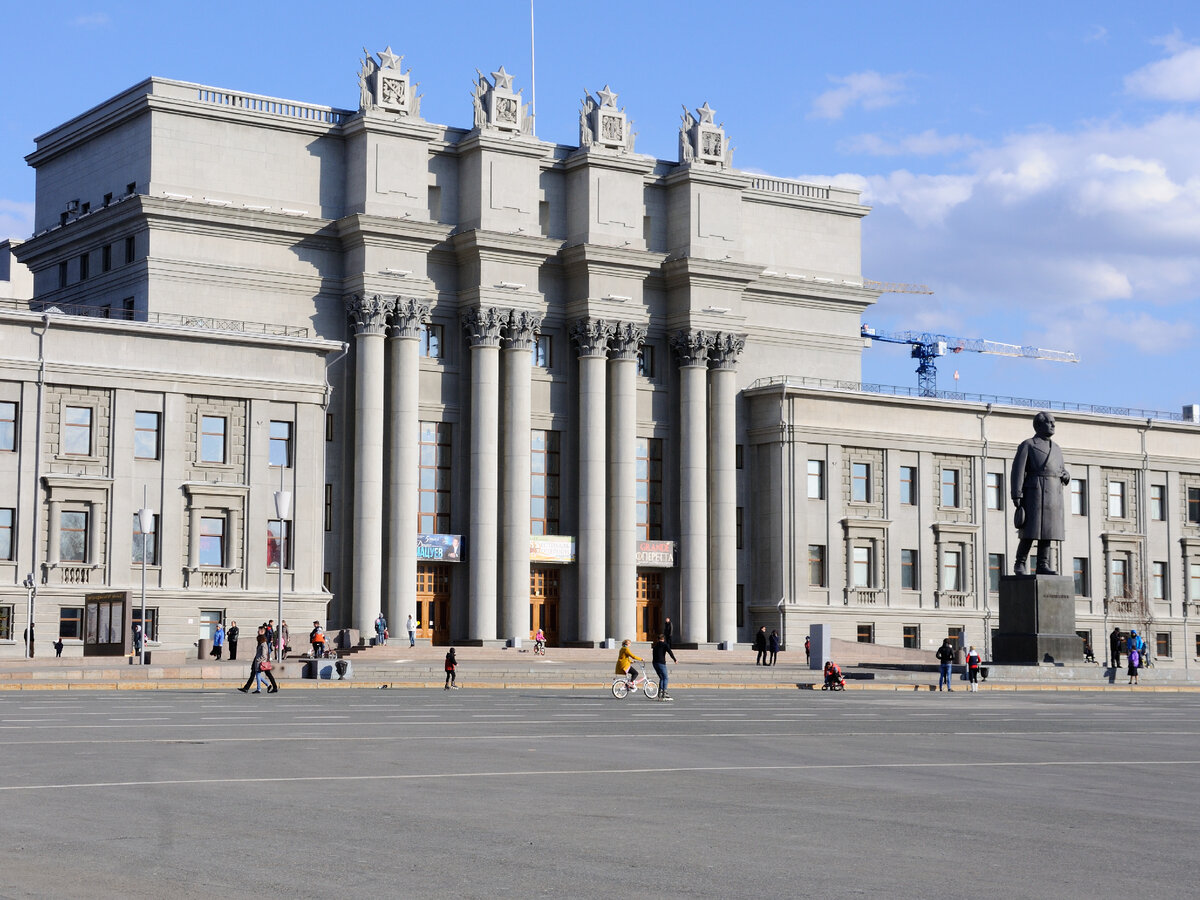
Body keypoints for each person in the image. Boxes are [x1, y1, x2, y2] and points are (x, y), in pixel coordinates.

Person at [1010, 411, 1071, 575]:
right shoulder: (1028, 445)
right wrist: (1016, 494)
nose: (1053, 425)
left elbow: (1061, 469)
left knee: (1047, 533)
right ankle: (1020, 563)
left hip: (1053, 495)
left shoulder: (1057, 448)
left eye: (1054, 423)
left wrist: (1066, 475)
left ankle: (1042, 564)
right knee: (1030, 532)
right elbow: (1018, 470)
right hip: (1034, 493)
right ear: (1038, 425)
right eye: (1049, 422)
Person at [651, 633, 677, 700]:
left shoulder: (655, 645)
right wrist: (674, 659)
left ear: (658, 639)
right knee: (665, 678)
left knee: (661, 678)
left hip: (654, 663)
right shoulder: (665, 644)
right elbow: (670, 652)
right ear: (663, 639)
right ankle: (664, 693)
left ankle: (660, 692)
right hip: (661, 663)